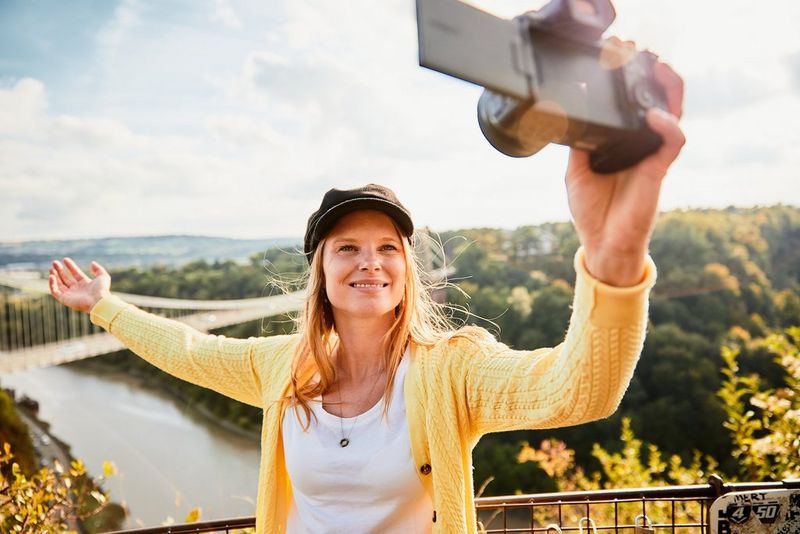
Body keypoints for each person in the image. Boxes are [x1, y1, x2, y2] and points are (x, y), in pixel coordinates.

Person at [49, 62, 684, 533]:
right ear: (320, 271)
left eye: (387, 247)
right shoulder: (281, 370)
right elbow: (187, 350)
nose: (370, 262)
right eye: (347, 248)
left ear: (406, 267)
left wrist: (614, 260)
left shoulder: (450, 371)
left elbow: (580, 391)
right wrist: (103, 304)